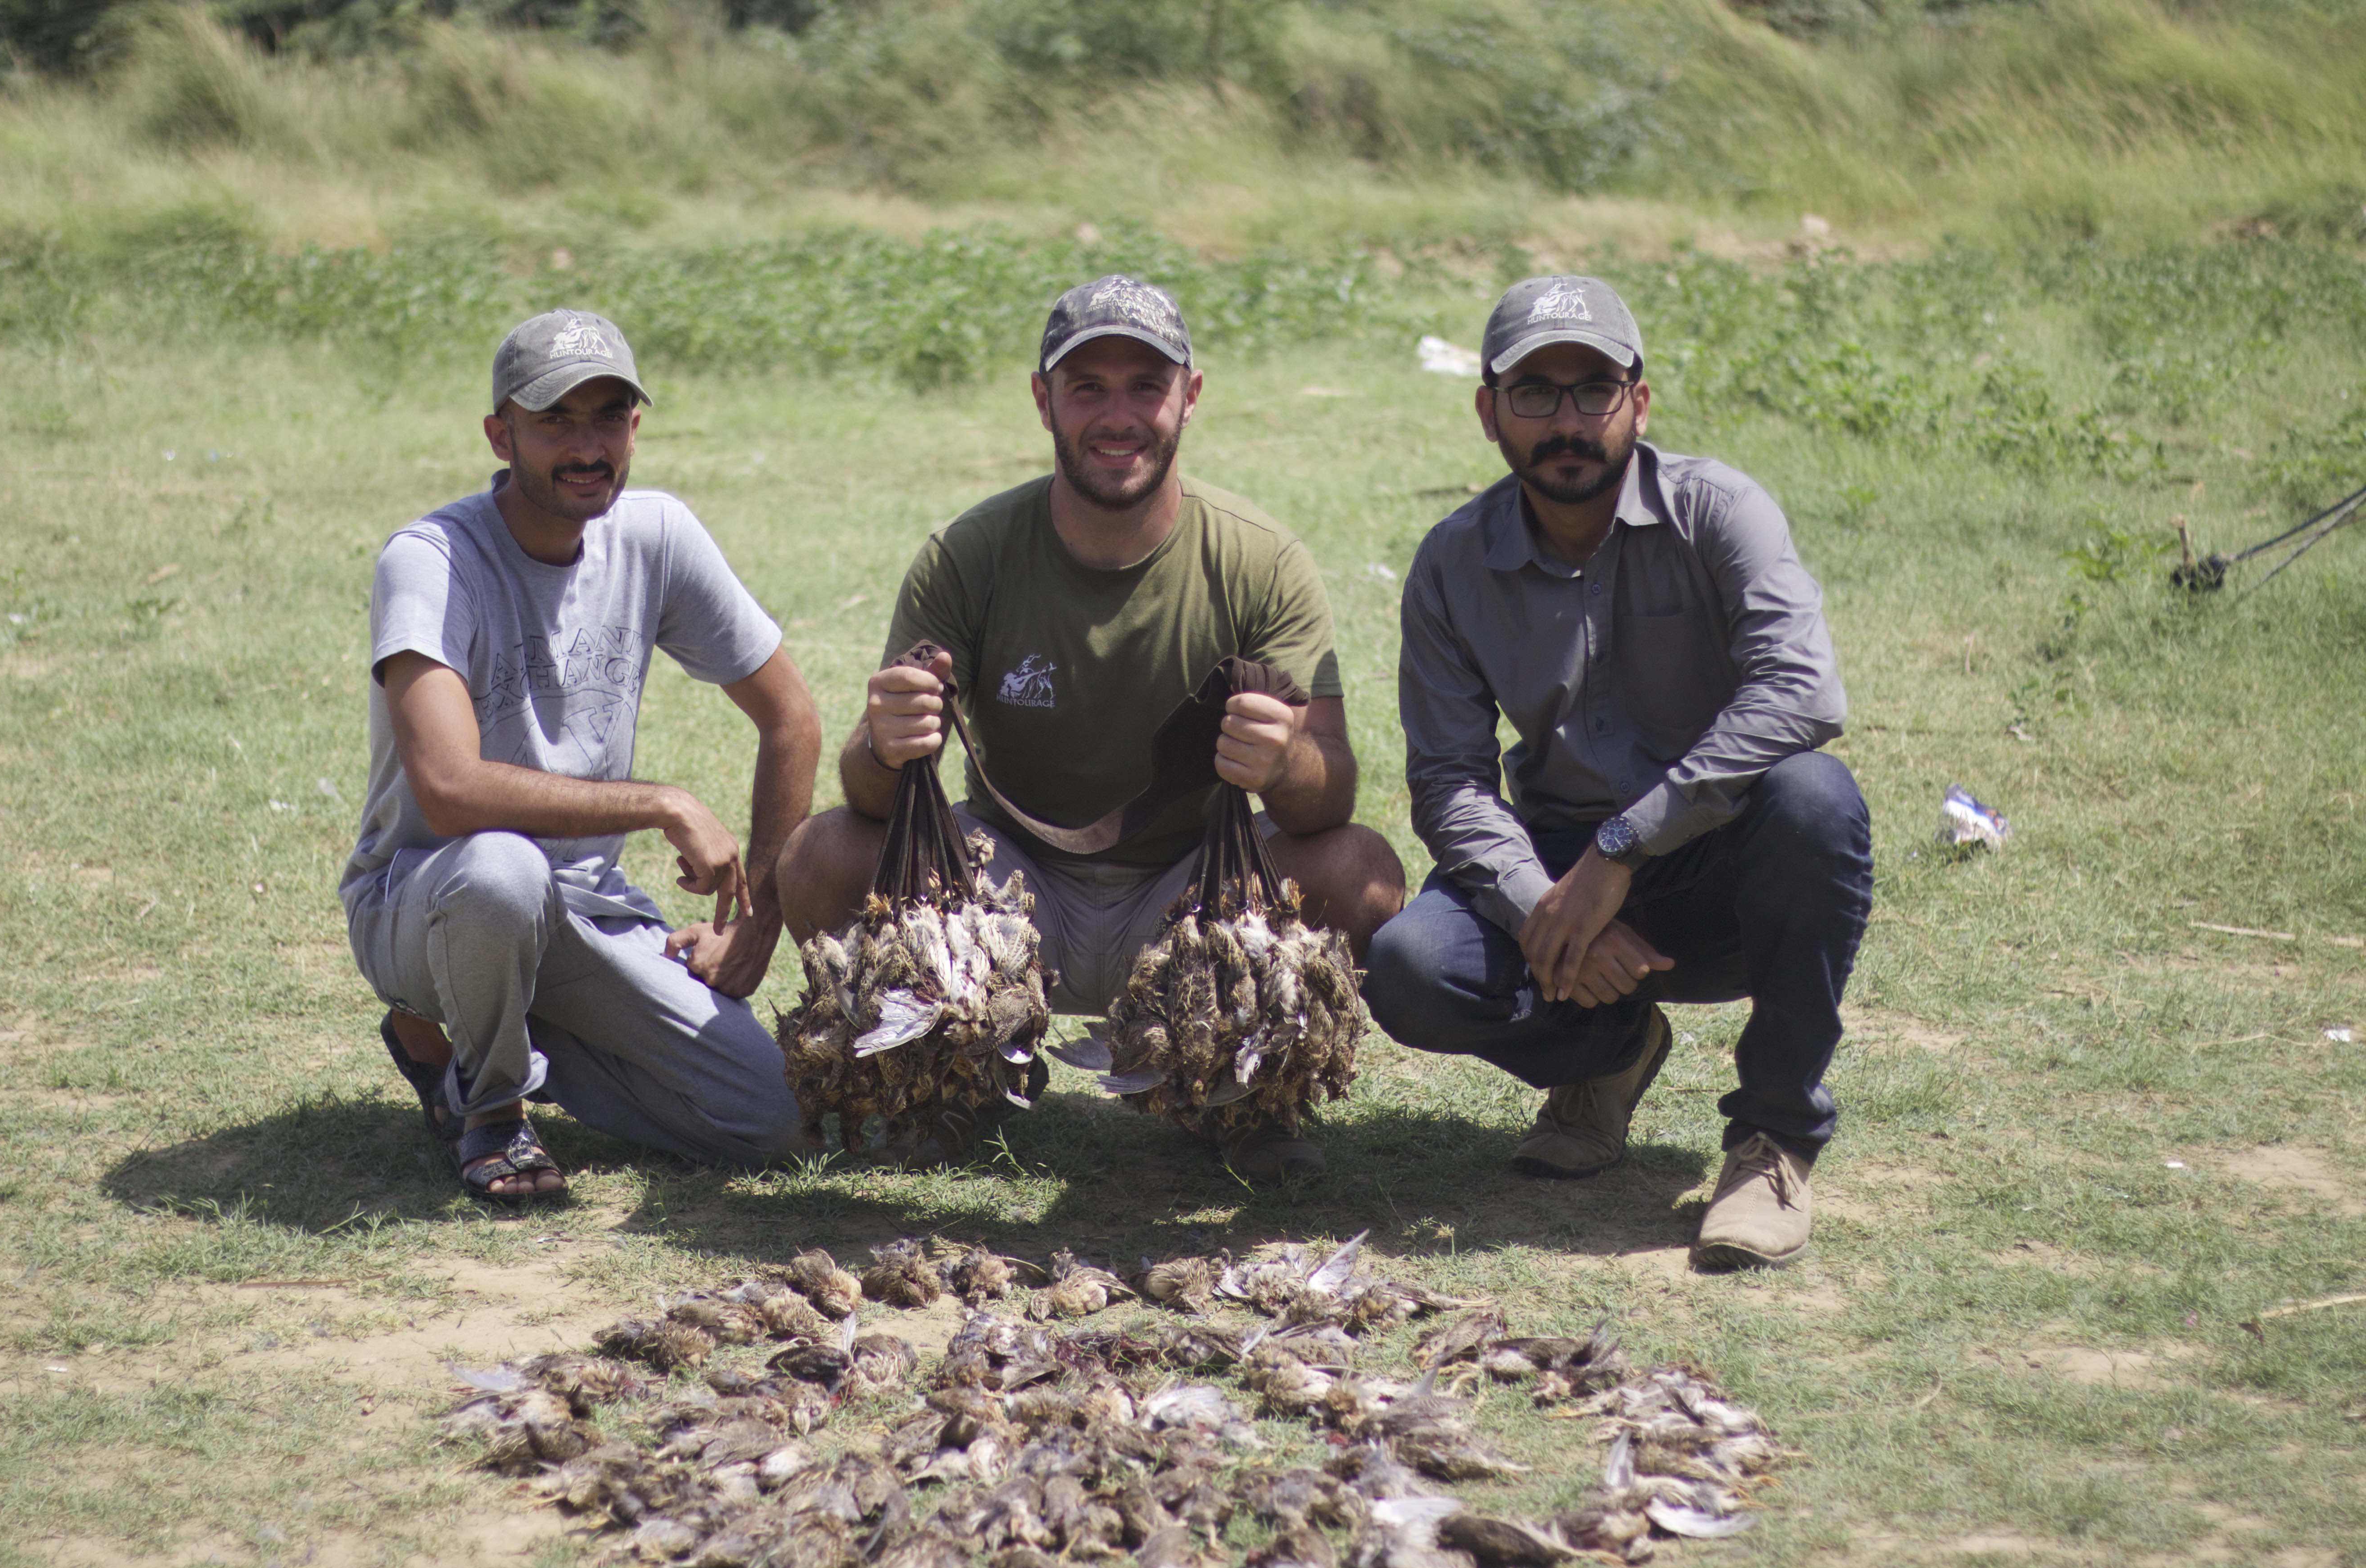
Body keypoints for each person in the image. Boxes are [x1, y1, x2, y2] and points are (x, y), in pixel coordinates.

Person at [776, 275, 1404, 1183]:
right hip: (1008, 886)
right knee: (824, 854)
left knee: (1364, 871)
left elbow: (1331, 790)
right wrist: (884, 744)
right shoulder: (971, 555)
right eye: (1088, 388)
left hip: (1198, 893)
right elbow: (875, 798)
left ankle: (1247, 1096)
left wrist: (1284, 761)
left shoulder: (1263, 561)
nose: (1119, 417)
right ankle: (950, 1082)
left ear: (1190, 395)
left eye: (1146, 386)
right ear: (1043, 401)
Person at [1362, 275, 1871, 1269]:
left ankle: (1773, 1140)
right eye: (1535, 394)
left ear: (1639, 401)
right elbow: (1451, 784)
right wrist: (1538, 906)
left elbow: (1806, 695)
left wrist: (1624, 847)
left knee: (1815, 798)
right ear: (1488, 414)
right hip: (1560, 867)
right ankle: (1609, 1052)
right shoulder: (1452, 564)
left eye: (1593, 390)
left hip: (1717, 861)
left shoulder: (1720, 511)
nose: (1567, 421)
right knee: (1409, 967)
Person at [342, 310, 819, 1201]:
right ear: (501, 432)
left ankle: (502, 1039)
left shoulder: (655, 536)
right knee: (499, 871)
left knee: (771, 1117)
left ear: (636, 427)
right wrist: (662, 803)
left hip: (585, 911)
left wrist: (757, 926)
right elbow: (447, 792)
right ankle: (486, 1104)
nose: (586, 446)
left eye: (608, 417)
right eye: (555, 420)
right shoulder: (430, 560)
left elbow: (791, 716)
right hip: (425, 896)